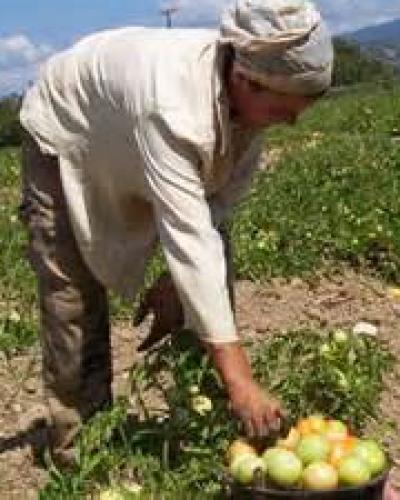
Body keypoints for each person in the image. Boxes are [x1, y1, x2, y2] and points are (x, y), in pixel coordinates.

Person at [19, 0, 330, 470]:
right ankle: (80, 451)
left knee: (205, 275)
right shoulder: (171, 103)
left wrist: (176, 285)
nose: (291, 122)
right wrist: (243, 378)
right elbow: (188, 235)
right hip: (65, 132)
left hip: (128, 129)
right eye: (282, 109)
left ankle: (214, 424)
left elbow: (212, 212)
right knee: (72, 295)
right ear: (244, 79)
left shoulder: (244, 100)